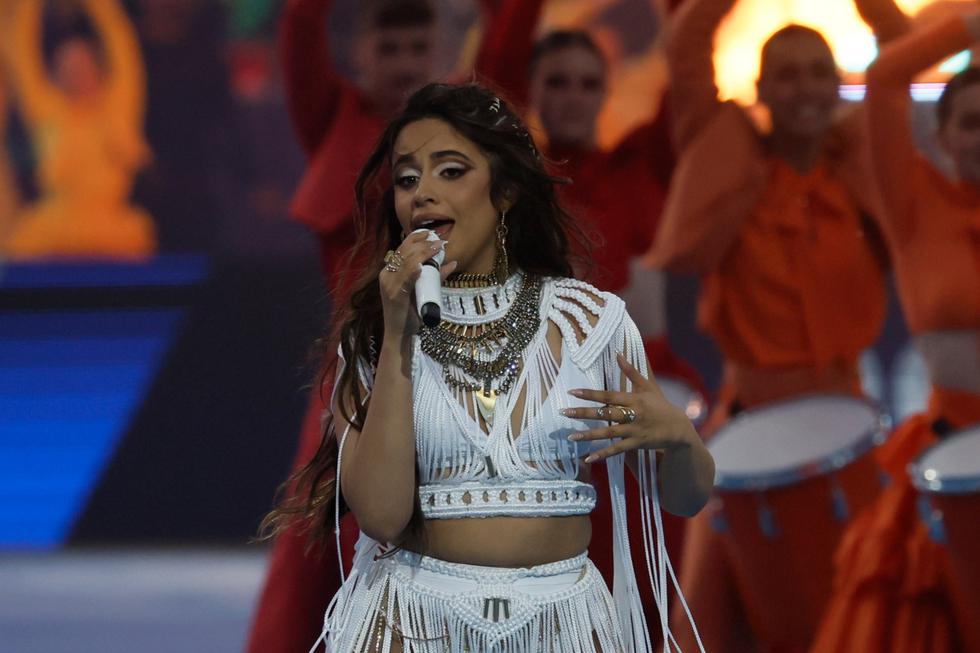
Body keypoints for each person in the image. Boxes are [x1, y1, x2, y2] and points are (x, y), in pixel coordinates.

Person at [263, 82, 714, 652]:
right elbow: (379, 514)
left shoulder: (589, 321)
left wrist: (681, 440)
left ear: (503, 192)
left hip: (562, 623)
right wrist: (398, 332)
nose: (422, 193)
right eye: (407, 179)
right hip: (412, 620)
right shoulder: (374, 333)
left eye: (450, 171)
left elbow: (686, 497)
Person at [246, 4, 516, 652]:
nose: (401, 61)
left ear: (440, 53)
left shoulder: (472, 132)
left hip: (457, 378)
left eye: (415, 46)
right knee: (318, 560)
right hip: (354, 386)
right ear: (360, 54)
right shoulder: (336, 123)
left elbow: (510, 45)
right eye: (387, 47)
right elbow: (301, 33)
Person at [644, 0, 908, 650]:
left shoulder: (860, 164)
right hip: (747, 423)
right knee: (705, 624)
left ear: (840, 83)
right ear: (758, 89)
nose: (805, 88)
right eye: (786, 74)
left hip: (849, 421)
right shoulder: (724, 154)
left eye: (819, 72)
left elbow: (900, 44)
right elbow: (689, 43)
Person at [811, 10, 980, 653]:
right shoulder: (915, 202)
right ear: (942, 136)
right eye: (971, 122)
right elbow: (885, 78)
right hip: (948, 458)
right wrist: (970, 25)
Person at [3, 0, 154, 259]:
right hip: (53, 231)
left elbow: (121, 41)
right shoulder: (48, 113)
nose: (76, 72)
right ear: (56, 74)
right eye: (68, 66)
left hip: (112, 232)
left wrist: (99, 6)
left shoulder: (117, 108)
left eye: (82, 64)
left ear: (98, 69)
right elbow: (21, 51)